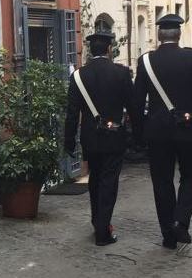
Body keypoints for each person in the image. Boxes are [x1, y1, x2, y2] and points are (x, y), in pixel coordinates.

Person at [134, 14, 192, 250]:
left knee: (162, 182)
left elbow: (137, 102)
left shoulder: (145, 61)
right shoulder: (191, 57)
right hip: (187, 129)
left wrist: (138, 134)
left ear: (159, 35)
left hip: (157, 132)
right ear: (179, 35)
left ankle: (168, 236)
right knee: (190, 177)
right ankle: (181, 221)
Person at [64, 31, 140, 246]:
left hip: (90, 137)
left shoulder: (78, 76)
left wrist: (68, 140)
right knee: (109, 181)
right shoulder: (121, 73)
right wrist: (137, 135)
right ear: (109, 49)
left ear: (89, 51)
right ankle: (102, 231)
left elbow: (71, 113)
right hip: (114, 136)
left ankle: (97, 221)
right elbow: (134, 107)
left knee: (95, 179)